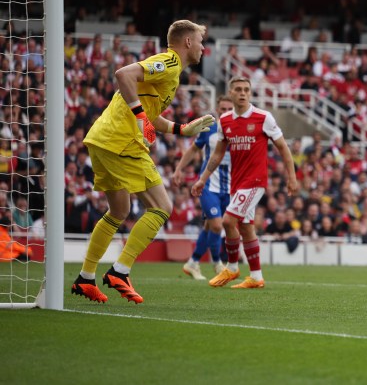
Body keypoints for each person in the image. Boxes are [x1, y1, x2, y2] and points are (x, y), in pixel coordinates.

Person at [71, 19, 215, 304]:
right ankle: (120, 271)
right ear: (187, 42)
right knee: (162, 207)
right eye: (200, 41)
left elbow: (150, 115)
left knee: (118, 211)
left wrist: (181, 129)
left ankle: (85, 278)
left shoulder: (169, 72)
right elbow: (123, 74)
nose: (203, 48)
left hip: (102, 139)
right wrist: (139, 119)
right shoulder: (170, 62)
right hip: (122, 141)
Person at [194, 77, 300, 289]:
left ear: (250, 94)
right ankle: (256, 276)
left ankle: (232, 268)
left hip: (255, 181)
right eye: (238, 90)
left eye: (246, 90)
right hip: (237, 182)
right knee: (245, 227)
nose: (242, 93)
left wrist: (292, 176)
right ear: (231, 93)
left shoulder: (263, 117)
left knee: (227, 222)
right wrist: (202, 179)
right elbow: (216, 156)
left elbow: (283, 148)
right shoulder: (224, 121)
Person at [173, 94, 235, 280]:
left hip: (229, 186)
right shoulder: (209, 128)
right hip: (208, 184)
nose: (225, 112)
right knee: (217, 225)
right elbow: (194, 149)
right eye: (222, 109)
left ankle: (193, 262)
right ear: (217, 110)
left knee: (209, 226)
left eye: (229, 109)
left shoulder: (239, 131)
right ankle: (217, 264)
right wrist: (179, 168)